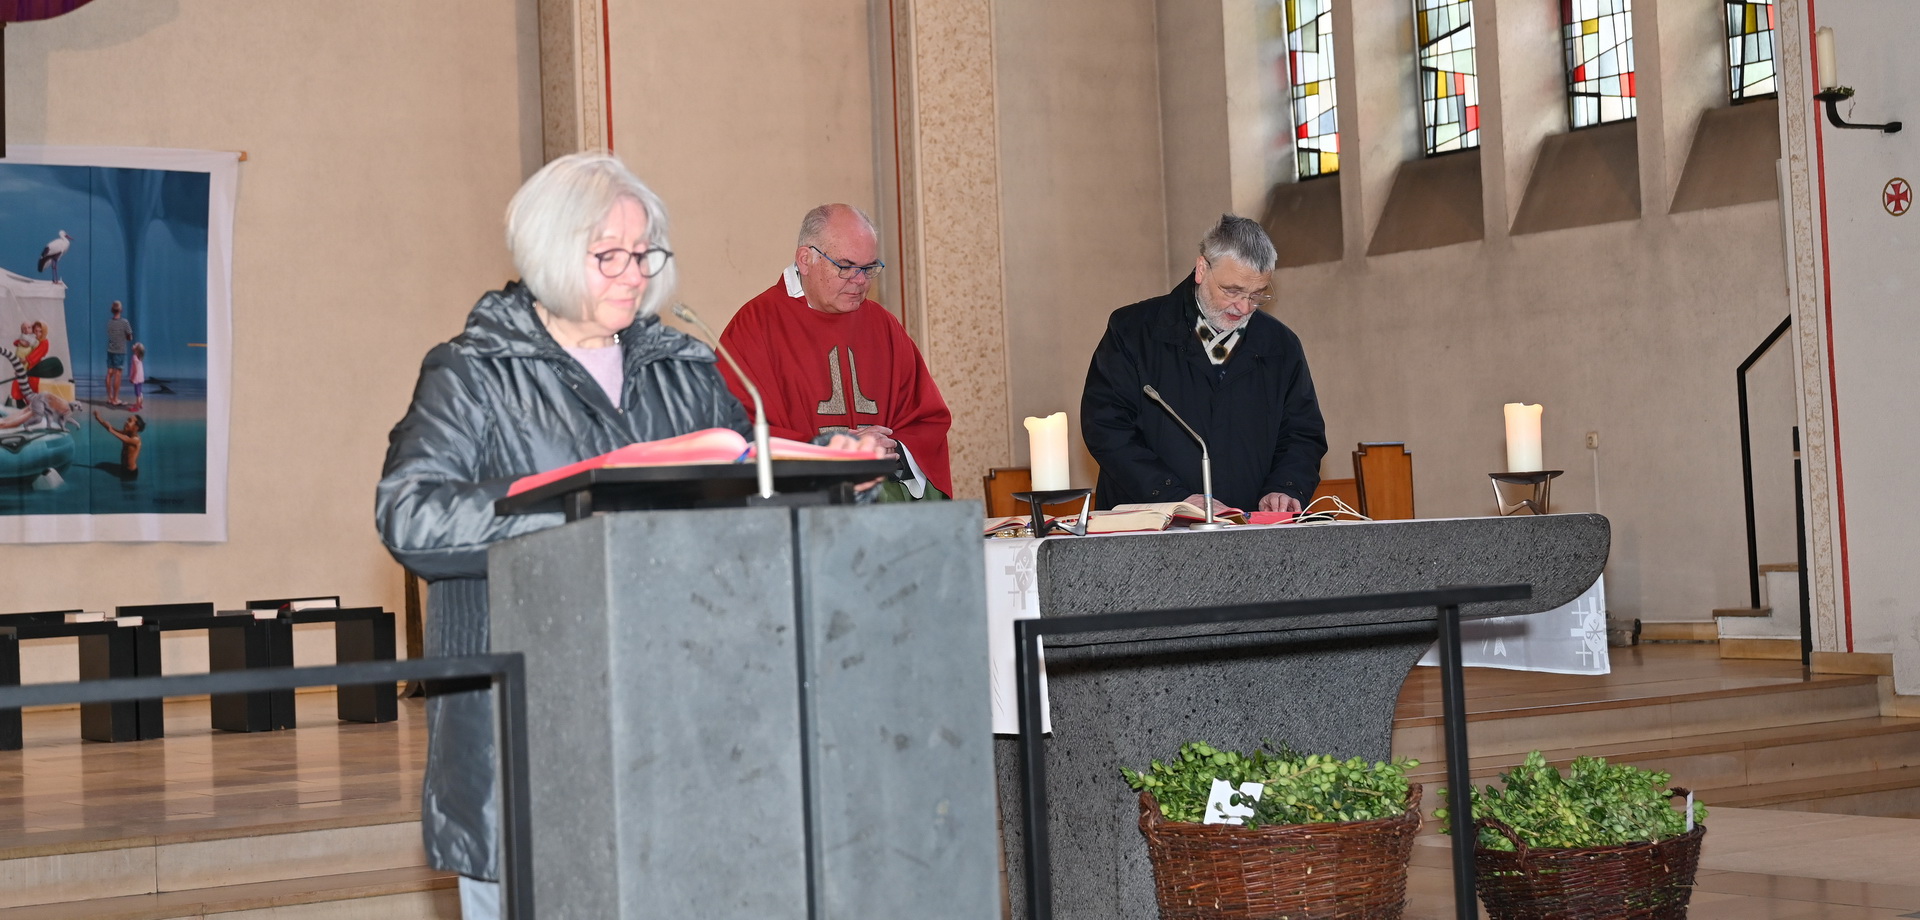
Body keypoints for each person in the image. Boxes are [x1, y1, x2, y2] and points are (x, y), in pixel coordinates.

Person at [374, 153, 876, 920]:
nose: (634, 273)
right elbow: (411, 514)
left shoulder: (686, 371)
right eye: (608, 254)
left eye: (645, 254)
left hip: (677, 726)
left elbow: (746, 491)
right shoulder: (472, 371)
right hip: (530, 737)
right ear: (547, 249)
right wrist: (578, 509)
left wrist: (825, 478)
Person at [1081, 214, 1327, 514]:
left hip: (1245, 529)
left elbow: (1302, 433)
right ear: (1201, 269)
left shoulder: (1280, 345)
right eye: (1232, 291)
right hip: (1149, 522)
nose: (1244, 307)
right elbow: (1107, 427)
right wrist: (1173, 496)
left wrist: (1285, 485)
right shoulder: (1133, 331)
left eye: (1257, 294)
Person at [718, 204, 953, 501]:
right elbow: (733, 432)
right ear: (805, 260)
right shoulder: (756, 325)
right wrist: (829, 449)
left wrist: (890, 452)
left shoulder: (883, 326)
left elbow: (926, 421)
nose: (860, 281)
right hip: (800, 508)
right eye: (846, 266)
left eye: (869, 269)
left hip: (883, 509)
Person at [90, 408, 143, 479]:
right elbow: (111, 428)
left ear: (136, 427)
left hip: (130, 471)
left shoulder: (136, 440)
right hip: (123, 468)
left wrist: (110, 430)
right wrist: (98, 418)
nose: (126, 422)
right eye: (127, 420)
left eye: (129, 421)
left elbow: (126, 439)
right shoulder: (126, 434)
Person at [104, 301, 132, 406]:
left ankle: (109, 397)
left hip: (110, 349)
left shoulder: (109, 322)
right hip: (120, 350)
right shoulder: (125, 322)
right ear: (121, 309)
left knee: (109, 372)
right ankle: (115, 398)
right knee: (118, 374)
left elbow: (110, 334)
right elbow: (129, 336)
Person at [128, 343, 146, 411]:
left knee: (137, 393)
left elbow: (135, 369)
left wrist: (132, 377)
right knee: (140, 391)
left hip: (137, 378)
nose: (133, 345)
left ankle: (136, 407)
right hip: (141, 377)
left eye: (134, 345)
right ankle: (140, 404)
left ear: (136, 350)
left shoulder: (134, 357)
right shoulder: (140, 357)